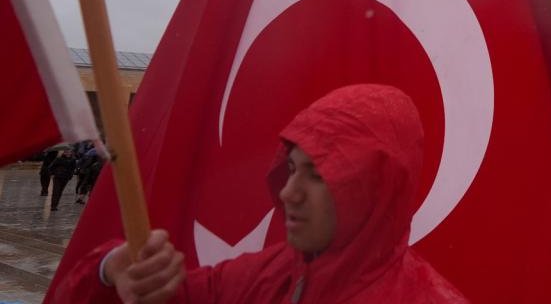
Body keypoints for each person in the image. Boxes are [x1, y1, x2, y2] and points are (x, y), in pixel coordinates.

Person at [50, 84, 467, 303]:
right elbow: (167, 297)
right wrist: (112, 270)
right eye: (292, 169)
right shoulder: (264, 277)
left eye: (318, 175)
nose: (289, 193)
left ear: (374, 191)